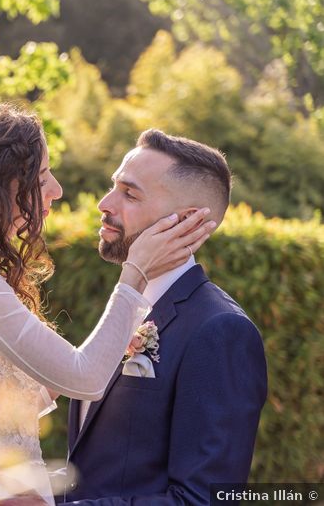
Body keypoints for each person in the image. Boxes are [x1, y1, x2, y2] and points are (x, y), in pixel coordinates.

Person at [0, 104, 215, 505]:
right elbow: (83, 378)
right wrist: (135, 272)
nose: (56, 190)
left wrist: (120, 341)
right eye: (41, 177)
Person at [54, 129, 267, 505]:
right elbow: (104, 470)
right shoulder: (127, 304)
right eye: (112, 187)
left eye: (130, 193)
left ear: (185, 220)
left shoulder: (220, 330)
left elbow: (205, 499)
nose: (105, 203)